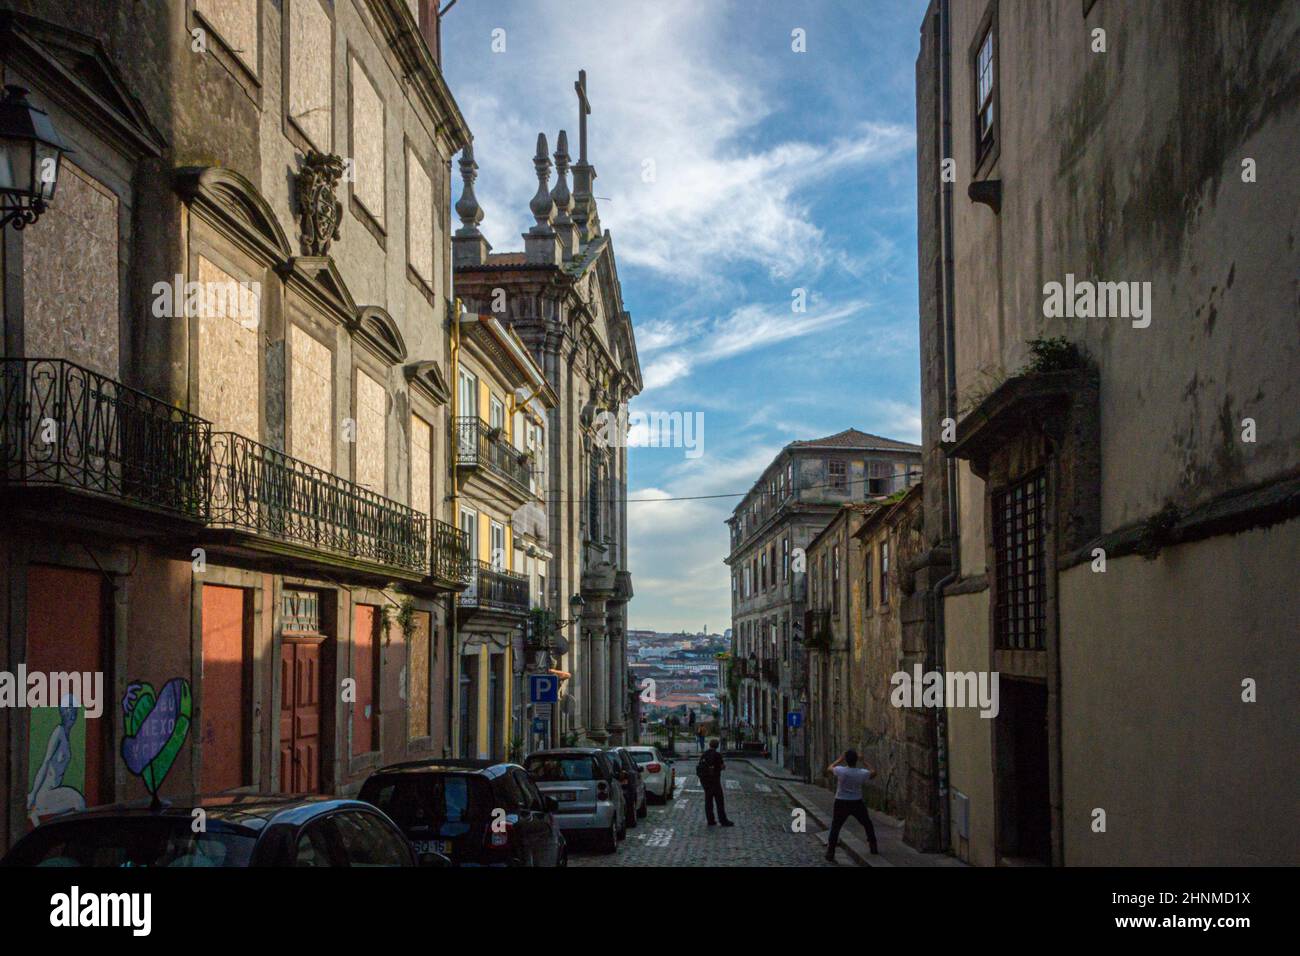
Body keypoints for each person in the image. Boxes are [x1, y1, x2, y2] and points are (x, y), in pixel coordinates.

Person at [824, 749, 878, 861]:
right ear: (856, 760)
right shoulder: (861, 773)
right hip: (856, 802)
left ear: (846, 760)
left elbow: (829, 768)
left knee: (835, 827)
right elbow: (874, 772)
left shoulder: (840, 770)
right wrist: (864, 761)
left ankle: (830, 852)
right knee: (867, 824)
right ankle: (873, 846)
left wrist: (839, 759)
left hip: (841, 801)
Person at [697, 739, 734, 827]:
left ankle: (710, 820)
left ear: (709, 745)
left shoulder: (704, 754)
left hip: (705, 781)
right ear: (717, 746)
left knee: (708, 801)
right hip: (715, 780)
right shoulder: (717, 755)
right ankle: (723, 820)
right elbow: (722, 766)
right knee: (719, 801)